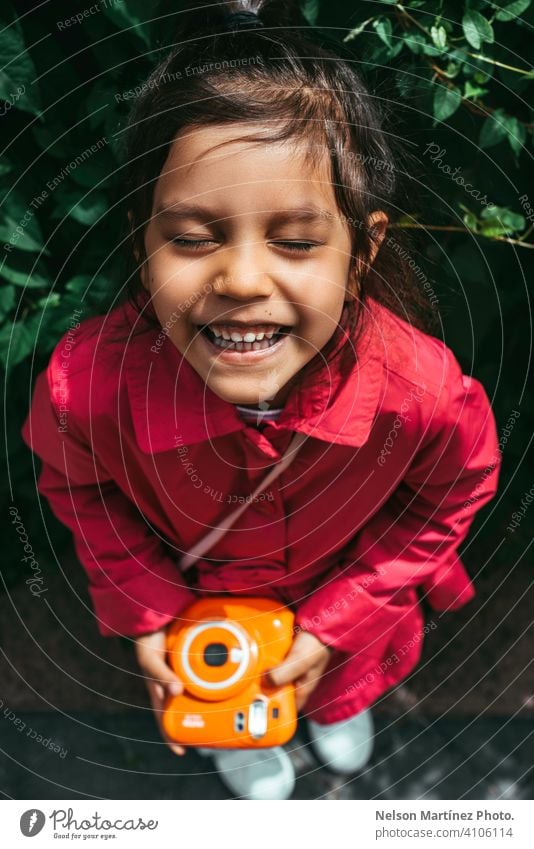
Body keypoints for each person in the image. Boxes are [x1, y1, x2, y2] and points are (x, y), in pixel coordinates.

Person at [22, 0, 500, 800]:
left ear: (362, 252)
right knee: (220, 696)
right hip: (199, 622)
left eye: (298, 241)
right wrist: (152, 612)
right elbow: (81, 491)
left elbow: (449, 498)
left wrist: (339, 618)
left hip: (345, 602)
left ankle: (338, 703)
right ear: (143, 242)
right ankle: (234, 737)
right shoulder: (85, 391)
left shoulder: (424, 396)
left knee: (339, 676)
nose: (242, 280)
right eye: (193, 236)